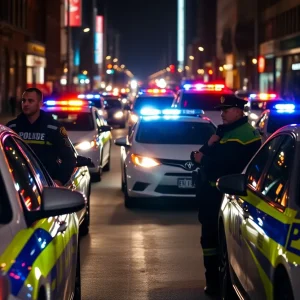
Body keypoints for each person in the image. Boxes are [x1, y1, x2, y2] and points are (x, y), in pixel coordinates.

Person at [191, 94, 261, 296]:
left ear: (239, 111)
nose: (222, 113)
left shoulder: (240, 135)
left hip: (222, 195)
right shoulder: (228, 132)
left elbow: (222, 166)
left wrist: (202, 158)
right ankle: (214, 280)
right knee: (212, 241)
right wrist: (207, 149)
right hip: (217, 194)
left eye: (226, 110)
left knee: (214, 241)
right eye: (221, 110)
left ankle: (215, 284)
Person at [6, 87, 76, 186]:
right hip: (17, 184)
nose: (25, 104)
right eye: (23, 100)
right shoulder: (12, 127)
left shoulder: (54, 128)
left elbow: (69, 158)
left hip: (46, 185)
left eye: (30, 101)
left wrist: (58, 181)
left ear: (40, 104)